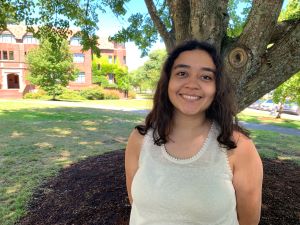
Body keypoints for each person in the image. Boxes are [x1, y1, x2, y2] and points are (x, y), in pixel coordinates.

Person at [125, 40, 263, 225]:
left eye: (206, 77)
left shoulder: (238, 146)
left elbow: (248, 220)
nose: (192, 84)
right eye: (182, 73)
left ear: (217, 87)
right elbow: (137, 206)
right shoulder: (139, 139)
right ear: (168, 81)